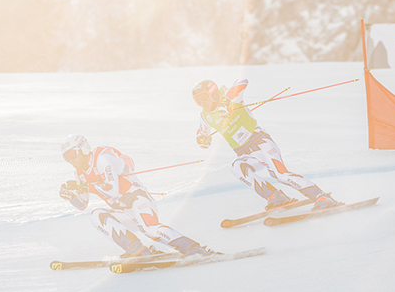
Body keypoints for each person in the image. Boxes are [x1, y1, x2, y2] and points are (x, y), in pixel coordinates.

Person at [192, 78, 341, 211]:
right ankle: (275, 196)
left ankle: (321, 196)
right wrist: (202, 139)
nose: (201, 103)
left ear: (213, 93)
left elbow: (242, 82)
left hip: (261, 143)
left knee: (280, 174)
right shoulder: (205, 116)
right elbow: (202, 132)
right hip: (245, 153)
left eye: (203, 97)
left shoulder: (231, 98)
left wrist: (225, 103)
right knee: (237, 167)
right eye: (197, 101)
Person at [58, 135, 217, 257]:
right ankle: (136, 249)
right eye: (66, 157)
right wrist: (71, 196)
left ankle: (193, 248)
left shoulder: (102, 158)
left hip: (138, 200)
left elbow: (112, 190)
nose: (71, 160)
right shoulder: (79, 174)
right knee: (95, 216)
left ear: (83, 149)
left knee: (149, 228)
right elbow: (82, 205)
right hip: (123, 212)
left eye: (72, 154)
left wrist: (84, 186)